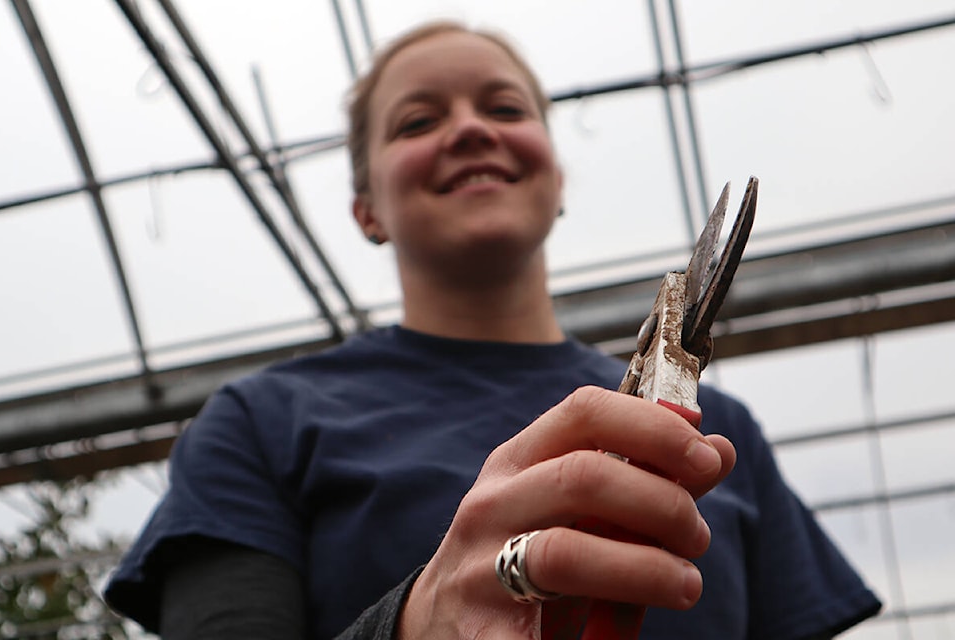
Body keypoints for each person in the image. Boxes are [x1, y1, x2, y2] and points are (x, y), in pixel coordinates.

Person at [104, 20, 881, 640]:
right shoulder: (258, 425)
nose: (472, 129)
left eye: (506, 109)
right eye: (419, 120)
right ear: (367, 208)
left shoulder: (721, 432)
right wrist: (413, 623)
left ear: (557, 179)